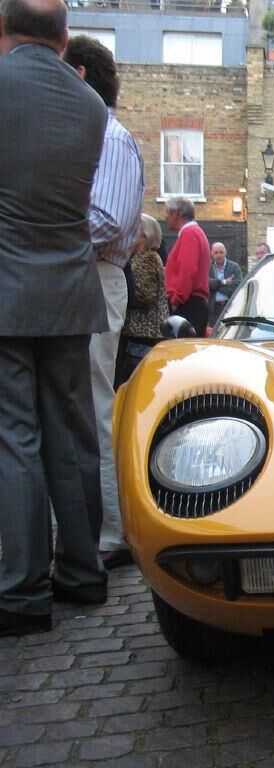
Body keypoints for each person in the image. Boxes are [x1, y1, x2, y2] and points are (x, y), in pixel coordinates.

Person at [0, 0, 110, 635]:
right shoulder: (90, 104)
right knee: (72, 434)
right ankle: (82, 570)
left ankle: (20, 592)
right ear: (65, 38)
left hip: (7, 287)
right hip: (69, 286)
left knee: (16, 436)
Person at [63, 33, 145, 569]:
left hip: (94, 274)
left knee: (96, 407)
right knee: (84, 405)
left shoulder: (109, 138)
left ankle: (114, 533)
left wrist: (49, 233)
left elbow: (110, 220)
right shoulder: (99, 134)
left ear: (82, 76)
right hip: (85, 275)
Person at [114, 214, 167, 388]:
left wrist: (119, 295)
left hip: (143, 333)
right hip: (142, 333)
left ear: (145, 235)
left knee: (134, 385)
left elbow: (145, 295)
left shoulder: (146, 258)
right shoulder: (146, 257)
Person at [164, 196, 211, 336]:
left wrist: (177, 300)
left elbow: (188, 269)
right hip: (193, 302)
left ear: (176, 214)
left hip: (188, 304)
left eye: (167, 213)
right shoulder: (195, 232)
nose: (166, 217)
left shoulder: (189, 234)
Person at [208, 241, 242, 320]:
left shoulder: (234, 267)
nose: (219, 255)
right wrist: (225, 282)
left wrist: (215, 285)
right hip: (213, 309)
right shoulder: (207, 267)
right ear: (211, 253)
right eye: (216, 253)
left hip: (230, 308)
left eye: (221, 252)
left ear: (225, 252)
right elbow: (205, 284)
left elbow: (236, 288)